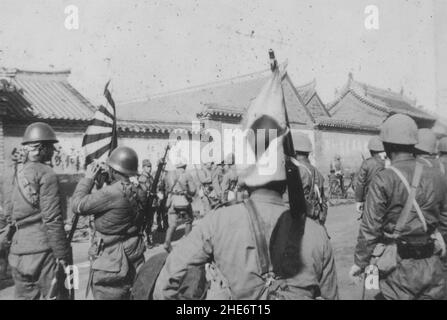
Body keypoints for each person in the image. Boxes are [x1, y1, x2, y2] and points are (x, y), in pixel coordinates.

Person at [153, 64, 338, 300]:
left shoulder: (217, 223)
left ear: (245, 178)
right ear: (287, 179)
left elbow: (166, 283)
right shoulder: (316, 234)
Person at [350, 114, 447, 300]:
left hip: (397, 268)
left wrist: (359, 263)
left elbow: (370, 230)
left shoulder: (384, 178)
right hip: (432, 265)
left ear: (386, 146)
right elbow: (444, 222)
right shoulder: (437, 176)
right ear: (414, 143)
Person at [1, 122, 71, 299]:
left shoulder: (11, 173)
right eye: (50, 147)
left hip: (17, 252)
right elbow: (52, 219)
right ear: (41, 148)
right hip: (42, 252)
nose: (54, 151)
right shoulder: (46, 173)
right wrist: (62, 254)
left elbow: (8, 213)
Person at [71, 146, 146, 300]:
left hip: (111, 261)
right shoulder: (139, 191)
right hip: (134, 254)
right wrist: (102, 184)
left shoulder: (110, 193)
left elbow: (77, 205)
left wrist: (88, 179)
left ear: (113, 170)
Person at [287, 132, 328, 225]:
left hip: (299, 223)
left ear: (294, 151)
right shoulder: (317, 172)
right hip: (315, 222)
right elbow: (323, 202)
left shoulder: (294, 171)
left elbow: (289, 202)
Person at [163, 162, 197, 252]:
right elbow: (193, 190)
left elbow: (165, 189)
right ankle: (187, 242)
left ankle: (167, 243)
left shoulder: (169, 175)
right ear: (184, 166)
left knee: (172, 224)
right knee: (189, 220)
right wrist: (188, 192)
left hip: (172, 201)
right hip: (183, 201)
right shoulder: (186, 175)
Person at [354, 136, 385, 216]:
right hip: (387, 200)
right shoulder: (388, 162)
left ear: (371, 151)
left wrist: (359, 200)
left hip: (370, 200)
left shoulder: (367, 163)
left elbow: (360, 183)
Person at [137, 159, 155, 247]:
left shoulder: (150, 177)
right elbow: (144, 189)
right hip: (144, 203)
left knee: (149, 222)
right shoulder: (142, 178)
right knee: (143, 223)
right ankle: (144, 242)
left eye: (150, 166)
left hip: (150, 202)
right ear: (143, 167)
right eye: (147, 166)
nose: (149, 168)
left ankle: (149, 240)